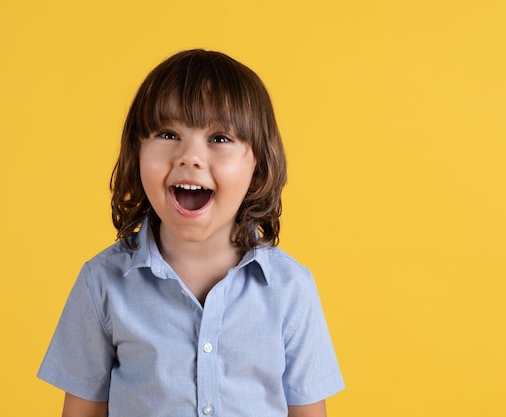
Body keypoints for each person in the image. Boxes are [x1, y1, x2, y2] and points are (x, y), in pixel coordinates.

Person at [38, 49, 344, 417]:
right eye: (168, 134)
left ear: (257, 164)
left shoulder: (291, 288)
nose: (190, 157)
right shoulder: (101, 283)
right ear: (137, 152)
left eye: (219, 138)